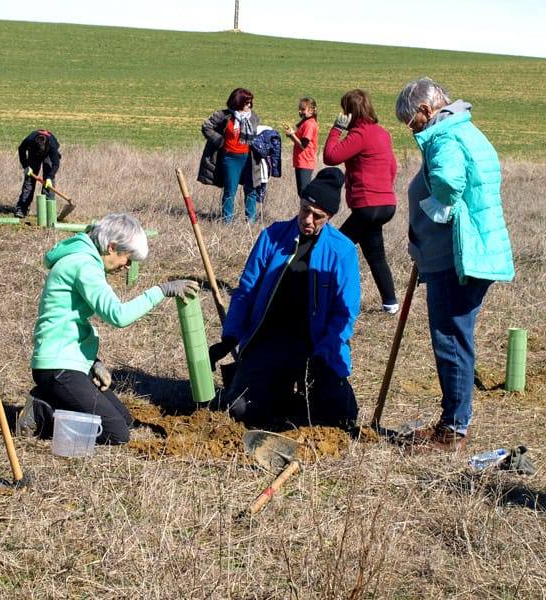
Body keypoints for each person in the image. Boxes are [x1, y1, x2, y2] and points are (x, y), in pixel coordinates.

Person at [394, 78, 514, 451]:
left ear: (427, 111)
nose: (411, 128)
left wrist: (434, 211)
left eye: (411, 121)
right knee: (456, 336)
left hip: (457, 256)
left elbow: (448, 183)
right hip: (465, 251)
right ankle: (453, 421)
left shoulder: (445, 138)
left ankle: (453, 431)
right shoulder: (465, 129)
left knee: (451, 339)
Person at [22, 213, 200, 444]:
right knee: (116, 434)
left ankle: (54, 398)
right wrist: (161, 290)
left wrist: (91, 361)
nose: (127, 265)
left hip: (66, 360)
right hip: (57, 366)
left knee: (125, 420)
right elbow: (118, 315)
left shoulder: (82, 258)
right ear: (111, 246)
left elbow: (68, 320)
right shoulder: (84, 265)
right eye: (127, 258)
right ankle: (42, 411)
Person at [208, 168, 361, 429]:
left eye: (318, 216)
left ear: (331, 216)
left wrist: (324, 354)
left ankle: (295, 398)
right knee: (241, 410)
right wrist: (230, 335)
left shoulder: (342, 250)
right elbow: (246, 290)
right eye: (305, 210)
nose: (308, 219)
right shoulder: (272, 236)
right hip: (270, 341)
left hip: (316, 347)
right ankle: (268, 389)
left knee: (341, 415)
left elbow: (344, 313)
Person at [322, 89, 399, 314]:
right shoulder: (382, 133)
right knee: (375, 254)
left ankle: (323, 294)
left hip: (368, 206)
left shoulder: (360, 134)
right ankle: (390, 303)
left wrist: (337, 129)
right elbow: (392, 167)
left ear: (350, 112)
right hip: (386, 204)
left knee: (334, 248)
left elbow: (331, 157)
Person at [198, 88, 261, 224]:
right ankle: (227, 221)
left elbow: (257, 134)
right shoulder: (223, 115)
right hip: (230, 158)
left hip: (249, 158)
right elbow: (206, 126)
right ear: (237, 102)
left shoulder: (254, 117)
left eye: (250, 103)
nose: (249, 106)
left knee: (251, 189)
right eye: (246, 103)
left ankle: (251, 221)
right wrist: (219, 140)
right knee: (230, 190)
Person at [15, 129, 60, 218]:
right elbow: (21, 149)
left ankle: (48, 211)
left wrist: (49, 177)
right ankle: (22, 209)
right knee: (29, 180)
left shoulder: (52, 145)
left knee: (48, 182)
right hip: (33, 154)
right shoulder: (30, 140)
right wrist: (26, 166)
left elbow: (56, 164)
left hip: (48, 155)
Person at [284, 96, 319, 195]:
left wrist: (292, 134)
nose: (300, 111)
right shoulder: (306, 123)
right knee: (302, 192)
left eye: (303, 109)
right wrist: (292, 135)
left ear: (311, 110)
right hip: (301, 161)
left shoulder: (310, 124)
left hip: (306, 161)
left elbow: (303, 145)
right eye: (300, 109)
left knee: (304, 193)